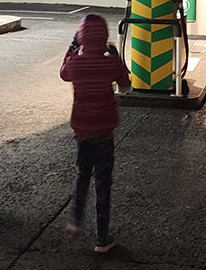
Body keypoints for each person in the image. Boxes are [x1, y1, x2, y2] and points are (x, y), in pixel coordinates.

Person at [59, 14, 131, 253]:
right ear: (104, 38)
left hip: (81, 130)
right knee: (103, 183)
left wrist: (72, 48)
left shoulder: (75, 64)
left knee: (82, 176)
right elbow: (125, 85)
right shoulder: (111, 63)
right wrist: (115, 56)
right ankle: (102, 237)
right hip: (104, 131)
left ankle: (74, 222)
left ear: (81, 38)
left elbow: (63, 73)